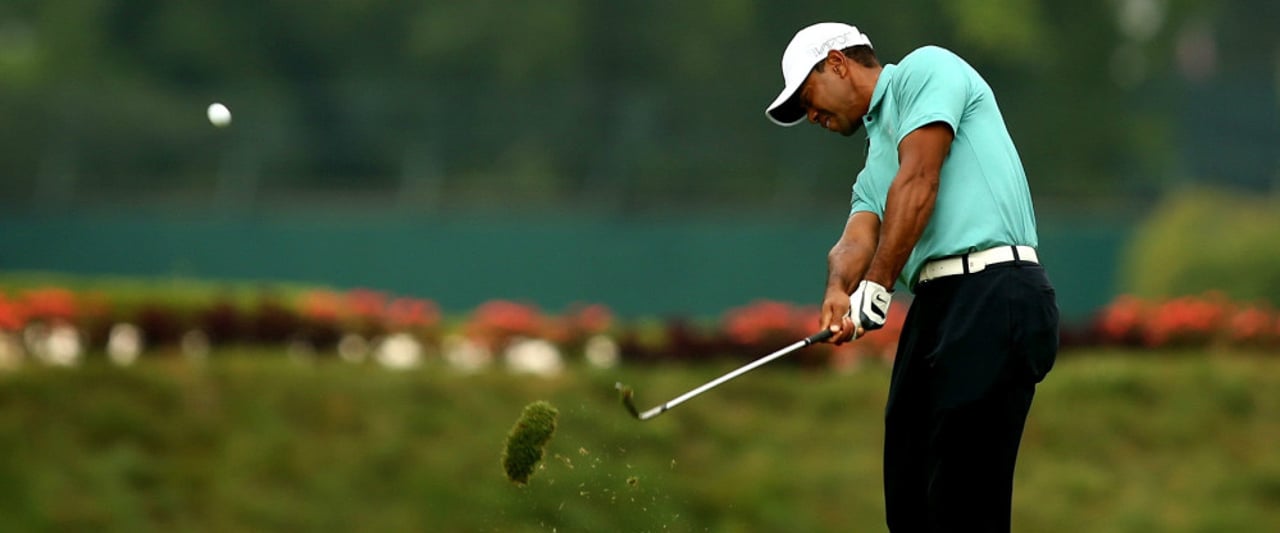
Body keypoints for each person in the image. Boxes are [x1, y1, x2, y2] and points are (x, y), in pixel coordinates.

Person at [764, 22, 1059, 532]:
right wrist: (839, 289)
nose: (810, 116)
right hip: (937, 306)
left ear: (837, 62)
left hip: (994, 291)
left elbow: (920, 179)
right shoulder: (876, 159)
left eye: (807, 97)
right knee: (911, 498)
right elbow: (857, 238)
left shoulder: (927, 70)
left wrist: (877, 286)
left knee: (963, 503)